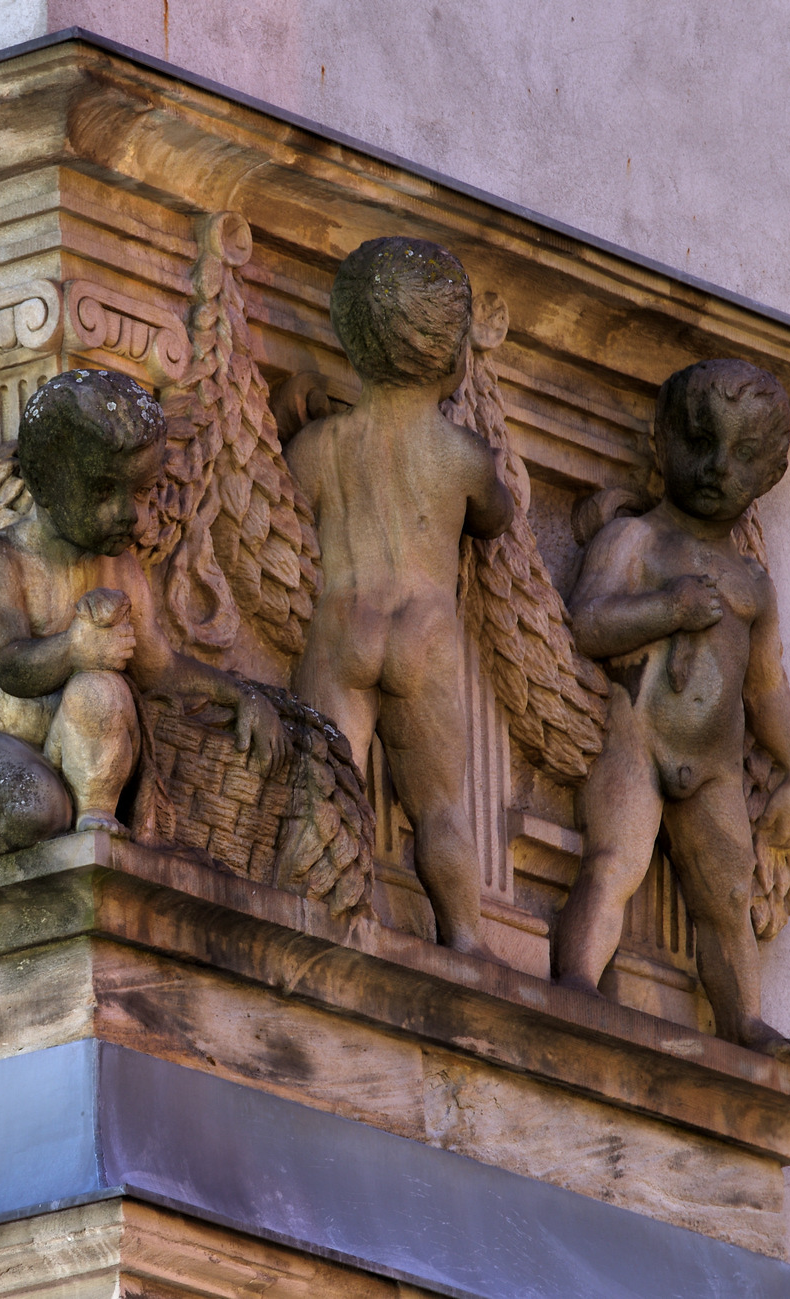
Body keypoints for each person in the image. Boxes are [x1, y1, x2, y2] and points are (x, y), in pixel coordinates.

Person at [552, 359, 790, 1064]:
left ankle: (744, 1019)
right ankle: (578, 978)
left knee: (727, 900)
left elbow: (766, 691)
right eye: (699, 442)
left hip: (713, 769)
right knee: (614, 862)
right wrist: (667, 607)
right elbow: (587, 623)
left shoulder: (752, 584)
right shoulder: (634, 541)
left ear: (770, 474)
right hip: (637, 742)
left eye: (742, 453)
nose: (716, 467)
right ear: (660, 442)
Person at [283, 236, 514, 956]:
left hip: (342, 622)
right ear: (453, 356)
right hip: (426, 634)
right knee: (441, 808)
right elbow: (497, 516)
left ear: (352, 346)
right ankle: (466, 936)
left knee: (328, 785)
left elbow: (286, 504)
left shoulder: (320, 446)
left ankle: (319, 909)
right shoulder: (462, 456)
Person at [0, 368, 278, 856]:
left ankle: (95, 816)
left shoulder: (121, 568)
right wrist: (74, 649)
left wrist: (239, 695)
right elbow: (6, 663)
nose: (131, 514)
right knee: (34, 809)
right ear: (45, 483)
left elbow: (157, 667)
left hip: (81, 744)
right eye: (104, 492)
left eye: (143, 493)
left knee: (102, 689)